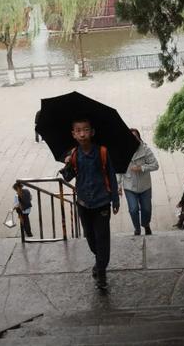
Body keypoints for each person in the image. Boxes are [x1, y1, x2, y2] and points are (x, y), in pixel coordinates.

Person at [64, 116, 119, 290]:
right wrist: (67, 165)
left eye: (85, 130)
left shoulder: (102, 152)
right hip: (83, 203)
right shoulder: (73, 154)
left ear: (92, 132)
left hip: (102, 202)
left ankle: (101, 272)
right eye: (78, 131)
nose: (82, 134)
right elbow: (68, 177)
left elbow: (111, 175)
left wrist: (115, 199)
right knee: (90, 238)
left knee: (102, 239)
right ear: (73, 134)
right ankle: (100, 261)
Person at [117, 128, 159, 236]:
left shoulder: (145, 150)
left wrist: (142, 168)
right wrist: (118, 185)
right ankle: (137, 229)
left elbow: (155, 165)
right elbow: (119, 170)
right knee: (133, 209)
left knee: (147, 209)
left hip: (145, 186)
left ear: (139, 138)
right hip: (129, 186)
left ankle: (146, 225)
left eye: (135, 137)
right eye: (131, 137)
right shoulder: (121, 152)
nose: (133, 139)